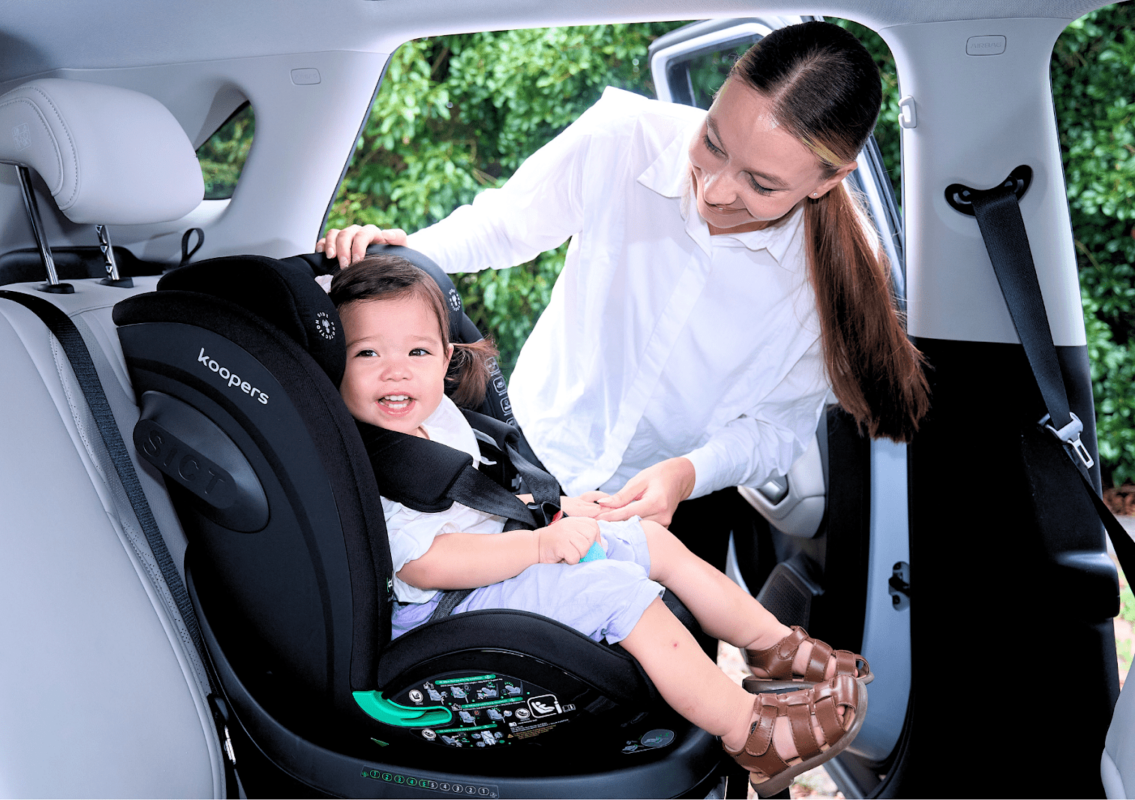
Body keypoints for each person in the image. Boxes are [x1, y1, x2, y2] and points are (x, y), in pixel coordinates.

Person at [317, 21, 930, 571]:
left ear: (831, 179)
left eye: (762, 184)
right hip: (524, 461)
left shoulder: (834, 276)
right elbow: (503, 225)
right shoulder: (624, 136)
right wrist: (400, 256)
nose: (715, 191)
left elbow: (776, 430)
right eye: (714, 142)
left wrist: (688, 474)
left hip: (672, 512)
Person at [324, 254, 869, 796]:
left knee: (651, 539)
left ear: (446, 358)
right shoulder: (369, 464)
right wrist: (539, 545)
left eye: (417, 351)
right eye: (367, 352)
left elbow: (470, 497)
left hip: (498, 558)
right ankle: (751, 733)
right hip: (446, 605)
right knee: (614, 591)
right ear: (335, 364)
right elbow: (425, 563)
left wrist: (553, 508)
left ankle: (774, 647)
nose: (396, 370)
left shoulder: (435, 415)